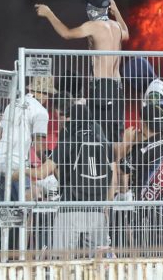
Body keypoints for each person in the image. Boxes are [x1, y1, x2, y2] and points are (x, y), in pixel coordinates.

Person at [35, 0, 130, 145]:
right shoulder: (116, 26)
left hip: (102, 89)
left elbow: (67, 33)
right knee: (115, 138)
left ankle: (102, 168)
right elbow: (127, 33)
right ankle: (114, 168)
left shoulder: (93, 26)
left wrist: (49, 13)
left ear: (92, 9)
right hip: (117, 89)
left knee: (99, 137)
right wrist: (116, 10)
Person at [30, 99, 114, 251]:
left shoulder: (68, 139)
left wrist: (20, 171)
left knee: (62, 262)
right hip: (96, 210)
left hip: (70, 209)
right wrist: (106, 204)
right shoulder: (103, 142)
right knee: (99, 264)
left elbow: (43, 172)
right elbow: (112, 174)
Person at [119, 99, 163, 251]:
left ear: (143, 124)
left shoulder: (144, 149)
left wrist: (126, 143)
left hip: (150, 216)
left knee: (150, 262)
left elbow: (121, 169)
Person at [0, 75, 53, 201]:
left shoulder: (11, 104)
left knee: (6, 213)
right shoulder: (40, 112)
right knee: (26, 209)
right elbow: (39, 148)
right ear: (45, 94)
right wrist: (51, 165)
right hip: (17, 168)